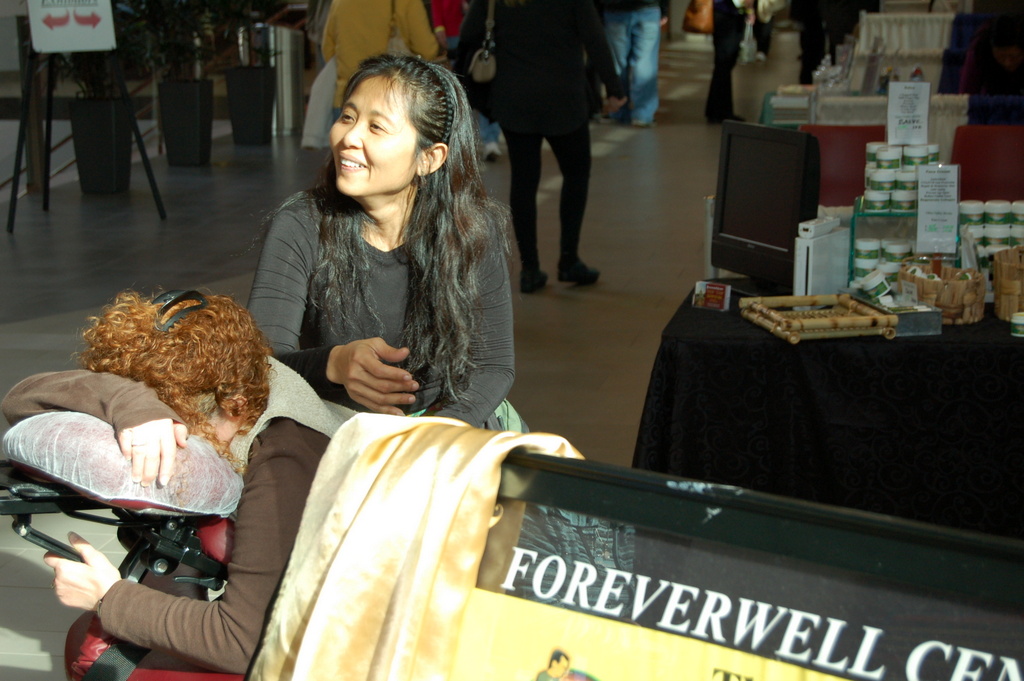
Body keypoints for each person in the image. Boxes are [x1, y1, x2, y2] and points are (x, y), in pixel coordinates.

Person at [1, 290, 351, 675]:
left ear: (235, 405)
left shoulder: (284, 461)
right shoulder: (242, 373)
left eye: (185, 429)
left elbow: (245, 642)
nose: (177, 446)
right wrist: (131, 403)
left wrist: (107, 597)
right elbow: (21, 398)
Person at [248, 54, 515, 430]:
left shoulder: (471, 230)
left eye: (376, 127)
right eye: (347, 117)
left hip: (445, 426)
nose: (349, 138)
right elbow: (258, 363)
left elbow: (493, 367)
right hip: (332, 428)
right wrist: (333, 364)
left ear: (429, 158)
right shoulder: (300, 224)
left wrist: (432, 435)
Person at [461, 0, 627, 294]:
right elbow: (595, 38)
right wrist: (613, 88)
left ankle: (530, 269)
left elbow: (468, 36)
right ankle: (569, 259)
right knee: (576, 175)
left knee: (524, 182)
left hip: (514, 97)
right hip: (564, 98)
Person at [321, 0, 443, 112]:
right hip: (391, 101)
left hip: (347, 96)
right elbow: (427, 49)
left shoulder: (340, 2)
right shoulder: (406, 2)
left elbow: (328, 49)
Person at [432, 0, 503, 160]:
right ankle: (461, 141)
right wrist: (439, 27)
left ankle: (490, 140)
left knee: (485, 84)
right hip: (454, 32)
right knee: (460, 89)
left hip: (483, 32)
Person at [600, 0, 669, 128]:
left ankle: (618, 109)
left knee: (617, 64)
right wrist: (664, 9)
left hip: (614, 9)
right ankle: (643, 115)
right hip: (648, 8)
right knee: (645, 63)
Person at [705, 0, 754, 125]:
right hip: (725, 14)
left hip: (734, 14)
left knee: (725, 64)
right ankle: (719, 112)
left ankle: (719, 110)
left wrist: (749, 10)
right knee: (723, 63)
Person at [959, 13, 1024, 96]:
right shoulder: (979, 49)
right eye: (1001, 56)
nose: (1007, 63)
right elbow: (966, 94)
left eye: (1014, 57)